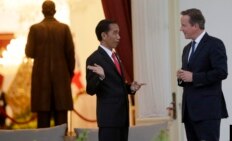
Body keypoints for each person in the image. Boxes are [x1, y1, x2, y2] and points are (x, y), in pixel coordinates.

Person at [86, 19, 145, 141]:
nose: (119, 37)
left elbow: (115, 84)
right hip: (109, 120)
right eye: (115, 33)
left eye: (119, 33)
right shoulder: (94, 58)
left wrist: (130, 88)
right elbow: (90, 90)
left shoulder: (116, 56)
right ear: (103, 35)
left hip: (122, 118)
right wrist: (100, 76)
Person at [177, 8, 228, 141]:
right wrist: (181, 77)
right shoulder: (186, 49)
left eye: (184, 25)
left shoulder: (214, 44)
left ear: (195, 25)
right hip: (189, 112)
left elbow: (221, 72)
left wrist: (193, 77)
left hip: (207, 112)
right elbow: (187, 78)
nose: (180, 29)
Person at [25, 0, 75, 128]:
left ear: (42, 11)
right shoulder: (64, 28)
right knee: (62, 125)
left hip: (41, 80)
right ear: (55, 11)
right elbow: (71, 55)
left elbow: (29, 52)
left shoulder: (35, 29)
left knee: (43, 125)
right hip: (61, 79)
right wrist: (68, 75)